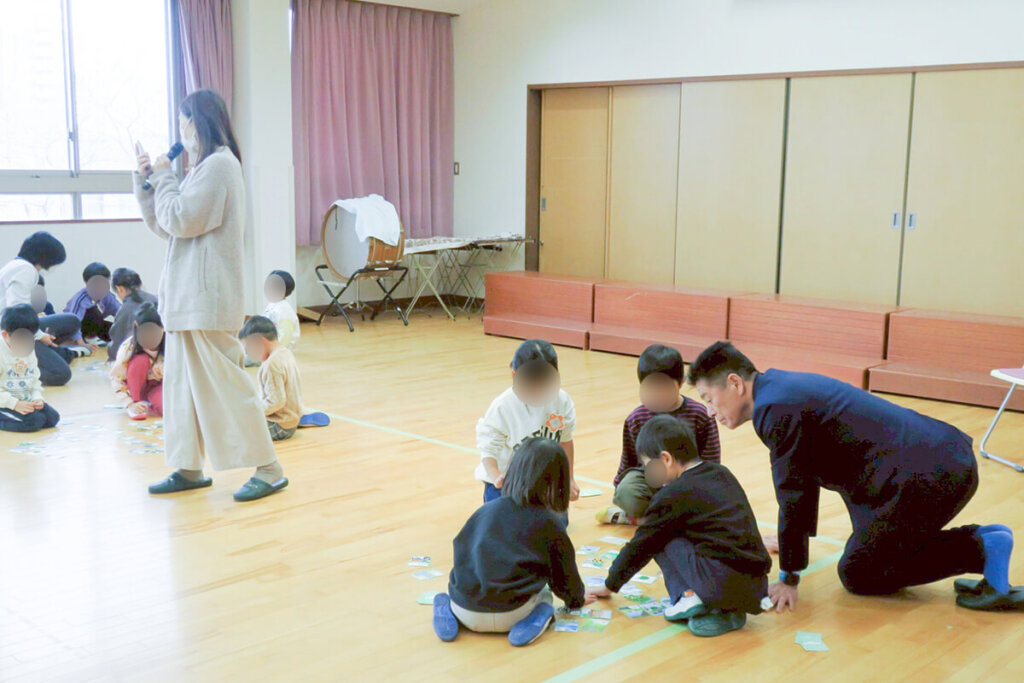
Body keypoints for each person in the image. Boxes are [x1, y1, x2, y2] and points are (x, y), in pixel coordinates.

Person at [688, 341, 1021, 612]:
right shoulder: (778, 388)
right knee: (869, 550)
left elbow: (794, 493)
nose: (710, 411)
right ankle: (986, 542)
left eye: (708, 399)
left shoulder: (776, 410)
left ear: (735, 383)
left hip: (928, 477)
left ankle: (981, 547)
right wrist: (791, 544)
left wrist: (789, 576)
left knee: (860, 572)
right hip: (932, 461)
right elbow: (804, 480)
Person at [133, 88, 287, 503]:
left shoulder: (220, 165)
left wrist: (165, 178)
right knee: (182, 391)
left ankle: (270, 469)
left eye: (184, 122)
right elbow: (166, 224)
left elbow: (183, 218)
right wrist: (148, 183)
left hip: (206, 301)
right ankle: (188, 467)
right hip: (186, 303)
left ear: (199, 122)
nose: (181, 131)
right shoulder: (201, 170)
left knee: (227, 387)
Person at [587, 415, 770, 637]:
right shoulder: (721, 473)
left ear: (665, 459)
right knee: (677, 532)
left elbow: (641, 545)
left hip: (720, 584)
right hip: (757, 589)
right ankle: (725, 610)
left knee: (659, 537)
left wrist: (609, 585)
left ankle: (687, 595)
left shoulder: (672, 495)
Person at [433, 438, 593, 645]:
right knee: (546, 596)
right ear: (559, 482)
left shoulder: (484, 511)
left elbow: (461, 554)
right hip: (513, 614)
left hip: (465, 610)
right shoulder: (549, 523)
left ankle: (446, 610)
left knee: (450, 591)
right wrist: (577, 600)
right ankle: (538, 618)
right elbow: (564, 576)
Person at [597, 344, 721, 525]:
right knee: (628, 494)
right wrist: (620, 490)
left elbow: (712, 460)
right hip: (651, 479)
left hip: (688, 480)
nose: (657, 394)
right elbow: (629, 460)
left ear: (681, 382)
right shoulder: (636, 418)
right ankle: (660, 517)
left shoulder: (699, 414)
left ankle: (650, 519)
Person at [476, 339, 579, 506]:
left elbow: (565, 441)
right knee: (505, 519)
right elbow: (488, 452)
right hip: (507, 482)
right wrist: (497, 477)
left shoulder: (562, 401)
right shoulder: (502, 407)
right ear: (515, 375)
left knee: (555, 518)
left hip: (543, 480)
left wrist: (569, 479)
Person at [0, 232, 86, 387]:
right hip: (12, 331)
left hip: (16, 325)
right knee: (61, 374)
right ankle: (11, 368)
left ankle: (49, 354)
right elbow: (16, 316)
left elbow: (18, 307)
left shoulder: (16, 265)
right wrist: (39, 335)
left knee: (72, 320)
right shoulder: (26, 270)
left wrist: (35, 318)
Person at [239, 315, 302, 441]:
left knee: (235, 425)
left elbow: (276, 402)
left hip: (279, 425)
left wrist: (253, 410)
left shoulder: (271, 365)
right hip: (291, 422)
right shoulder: (285, 353)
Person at [0, 304, 61, 433]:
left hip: (23, 399)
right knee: (34, 422)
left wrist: (37, 398)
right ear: (5, 335)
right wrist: (14, 404)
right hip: (4, 402)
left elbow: (34, 379)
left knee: (52, 418)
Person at [109, 302, 165, 420]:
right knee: (140, 360)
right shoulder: (129, 346)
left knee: (165, 407)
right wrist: (129, 403)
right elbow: (116, 377)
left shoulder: (172, 343)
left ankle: (150, 404)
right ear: (137, 325)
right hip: (137, 387)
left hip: (159, 386)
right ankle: (137, 404)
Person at [107, 268, 158, 362]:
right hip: (162, 356)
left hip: (138, 359)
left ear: (119, 289)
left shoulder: (125, 309)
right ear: (140, 285)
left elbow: (117, 344)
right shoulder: (156, 299)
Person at [64, 262, 121, 342]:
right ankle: (89, 338)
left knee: (117, 330)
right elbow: (73, 323)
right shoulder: (81, 299)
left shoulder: (107, 295)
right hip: (75, 329)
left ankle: (96, 338)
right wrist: (80, 342)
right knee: (93, 311)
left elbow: (120, 311)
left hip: (95, 327)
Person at [263, 270, 300, 349]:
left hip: (280, 349)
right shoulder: (272, 304)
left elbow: (285, 336)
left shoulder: (284, 310)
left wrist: (273, 349)